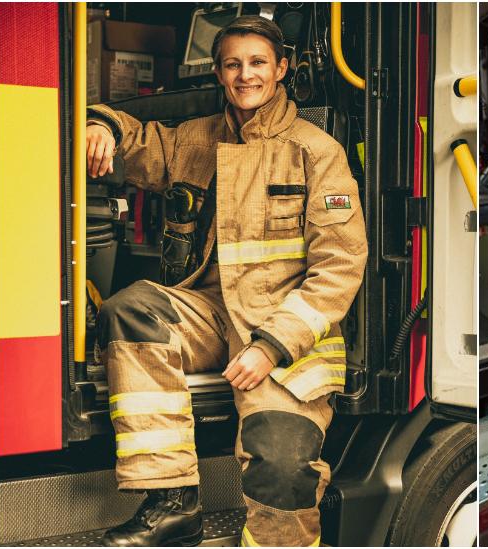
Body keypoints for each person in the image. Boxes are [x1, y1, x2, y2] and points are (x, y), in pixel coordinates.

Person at [85, 15, 367, 547]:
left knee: (282, 469)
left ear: (281, 69)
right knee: (131, 308)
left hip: (285, 340)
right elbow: (141, 142)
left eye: (258, 63)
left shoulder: (315, 151)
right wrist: (102, 127)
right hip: (212, 316)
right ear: (218, 72)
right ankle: (172, 503)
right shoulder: (198, 139)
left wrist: (271, 346)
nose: (246, 75)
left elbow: (340, 266)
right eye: (233, 64)